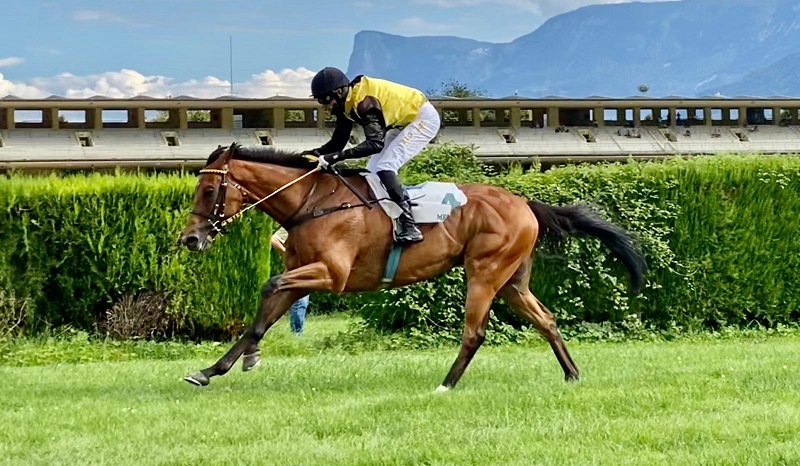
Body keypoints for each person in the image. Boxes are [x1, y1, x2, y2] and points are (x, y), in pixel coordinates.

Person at [301, 67, 440, 244]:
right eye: (320, 101)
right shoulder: (345, 104)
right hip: (403, 124)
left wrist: (335, 157)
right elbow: (337, 143)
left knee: (386, 166)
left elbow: (374, 144)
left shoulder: (363, 102)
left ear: (338, 92)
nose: (324, 106)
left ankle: (410, 225)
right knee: (371, 173)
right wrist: (312, 155)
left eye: (325, 100)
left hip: (422, 118)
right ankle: (383, 221)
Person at [270, 226, 309, 335]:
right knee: (300, 301)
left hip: (306, 268)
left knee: (300, 302)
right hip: (297, 269)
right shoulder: (293, 225)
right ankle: (297, 334)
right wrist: (288, 254)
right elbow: (274, 240)